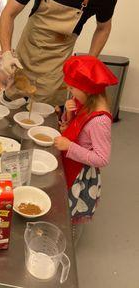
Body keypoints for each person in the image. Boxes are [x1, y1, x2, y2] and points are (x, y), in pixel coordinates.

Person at [53, 55, 118, 243]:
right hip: (69, 162)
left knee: (72, 211)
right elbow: (73, 127)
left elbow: (102, 158)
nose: (70, 90)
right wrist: (69, 113)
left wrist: (70, 146)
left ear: (87, 89)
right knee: (63, 204)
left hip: (80, 174)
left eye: (73, 88)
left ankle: (69, 241)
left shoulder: (100, 121)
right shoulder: (85, 102)